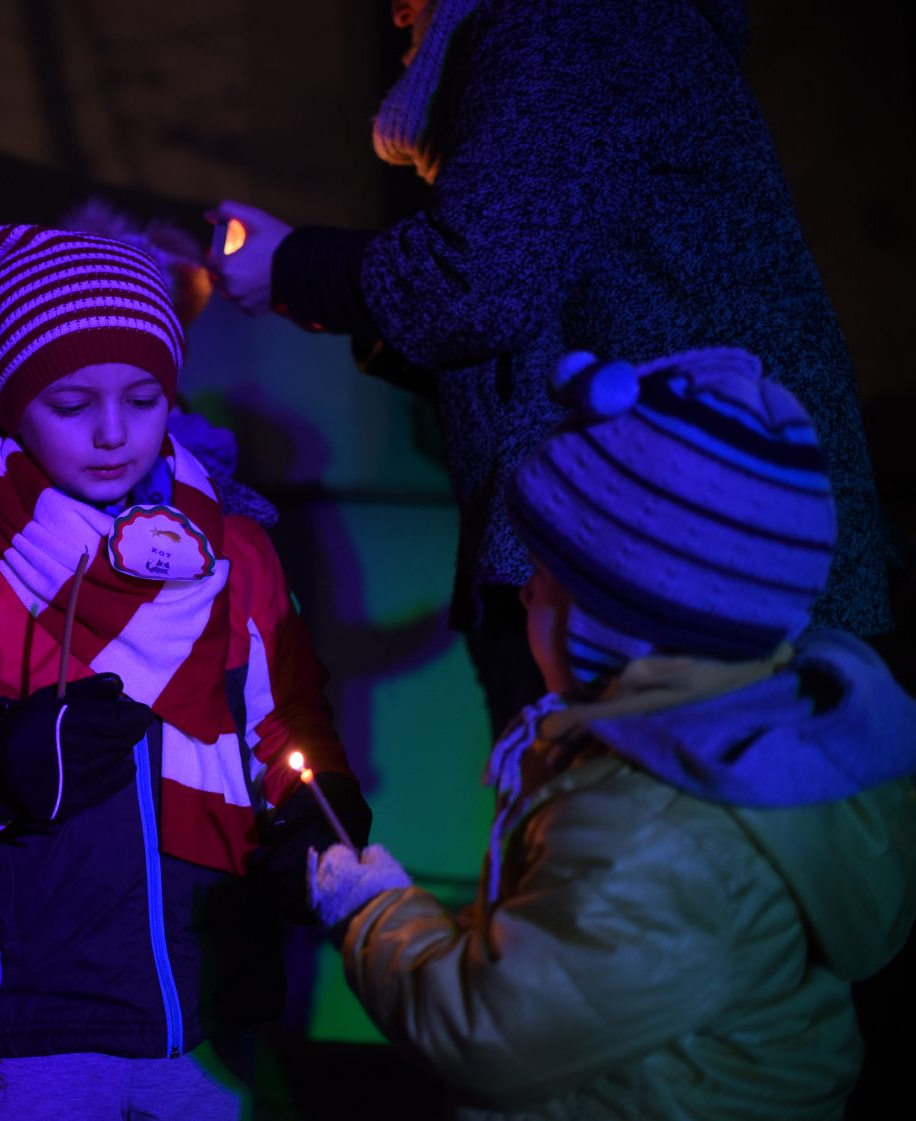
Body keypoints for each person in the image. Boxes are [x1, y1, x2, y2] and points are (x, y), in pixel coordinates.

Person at [206, 0, 895, 737]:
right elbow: (537, 302)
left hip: (681, 567)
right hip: (665, 553)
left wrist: (295, 267)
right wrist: (326, 294)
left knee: (634, 802)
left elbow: (480, 282)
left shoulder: (570, 18)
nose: (397, 10)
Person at [306, 347, 916, 1119]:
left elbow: (492, 1031)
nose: (524, 590)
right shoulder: (731, 748)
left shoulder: (657, 829)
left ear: (617, 618)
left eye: (545, 575)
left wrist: (371, 910)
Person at [0, 224, 371, 1120]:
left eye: (143, 396)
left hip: (213, 990)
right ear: (14, 402)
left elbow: (284, 717)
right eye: (71, 403)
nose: (114, 432)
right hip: (41, 1008)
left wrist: (319, 809)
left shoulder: (233, 549)